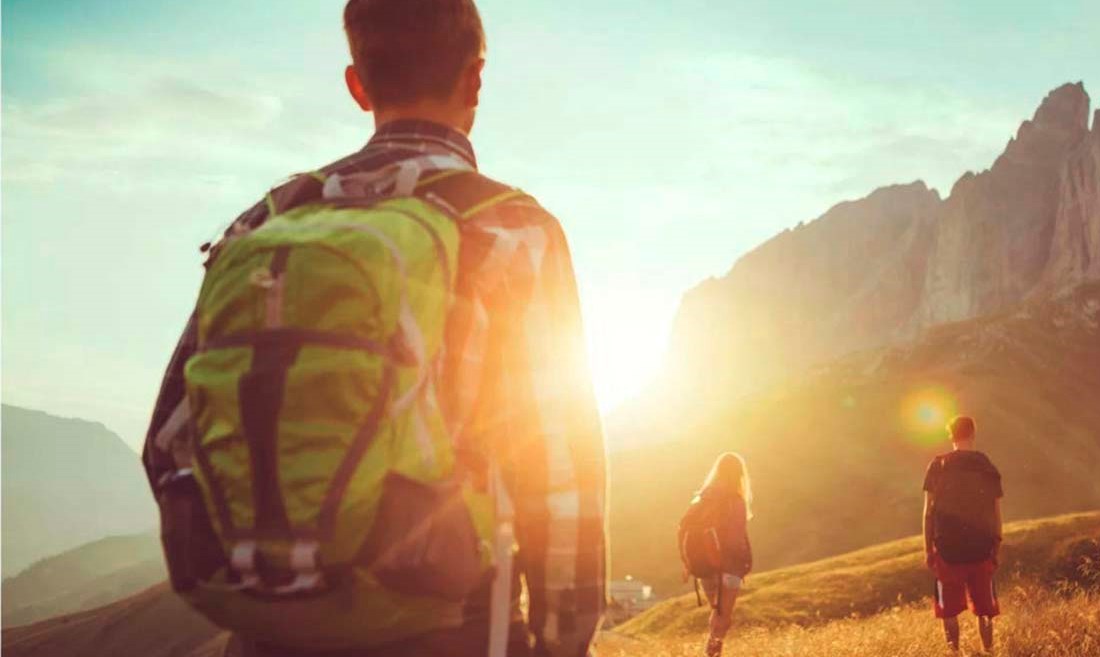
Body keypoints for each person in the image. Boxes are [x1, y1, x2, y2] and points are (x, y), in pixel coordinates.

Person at [140, 1, 607, 656]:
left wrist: (270, 578)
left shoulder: (266, 222)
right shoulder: (514, 230)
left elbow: (169, 438)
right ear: (475, 80)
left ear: (357, 84)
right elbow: (559, 473)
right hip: (449, 621)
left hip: (268, 632)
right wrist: (563, 640)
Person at [922, 416, 1003, 653]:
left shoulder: (938, 465)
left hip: (947, 550)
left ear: (951, 435)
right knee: (985, 610)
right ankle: (988, 652)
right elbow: (996, 511)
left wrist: (928, 549)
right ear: (973, 434)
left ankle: (954, 652)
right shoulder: (986, 465)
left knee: (949, 612)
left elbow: (928, 513)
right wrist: (996, 546)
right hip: (982, 549)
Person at [683, 452, 753, 657]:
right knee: (723, 619)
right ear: (740, 474)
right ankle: (712, 654)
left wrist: (688, 563)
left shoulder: (703, 496)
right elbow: (735, 539)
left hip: (704, 565)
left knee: (716, 613)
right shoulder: (736, 500)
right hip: (728, 567)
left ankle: (711, 652)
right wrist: (743, 563)